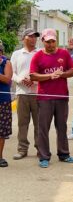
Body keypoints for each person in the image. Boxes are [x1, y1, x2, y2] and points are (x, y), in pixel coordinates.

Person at [30, 28, 73, 168]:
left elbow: (72, 71)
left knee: (62, 126)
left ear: (56, 40)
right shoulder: (38, 56)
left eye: (53, 41)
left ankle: (64, 154)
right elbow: (33, 75)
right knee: (43, 128)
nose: (50, 44)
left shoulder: (63, 53)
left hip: (62, 96)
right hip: (44, 98)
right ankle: (44, 156)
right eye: (48, 41)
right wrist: (50, 76)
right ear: (42, 41)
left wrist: (61, 74)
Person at [11, 28, 40, 160]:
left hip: (38, 93)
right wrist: (20, 80)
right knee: (22, 123)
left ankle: (41, 149)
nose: (33, 39)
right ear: (24, 38)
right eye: (30, 36)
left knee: (39, 123)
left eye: (35, 36)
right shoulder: (17, 54)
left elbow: (44, 72)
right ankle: (22, 149)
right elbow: (12, 72)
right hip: (22, 93)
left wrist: (34, 80)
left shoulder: (40, 53)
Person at [0, 45, 13, 167]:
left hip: (2, 101)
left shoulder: (6, 63)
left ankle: (0, 157)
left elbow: (7, 79)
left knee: (1, 131)